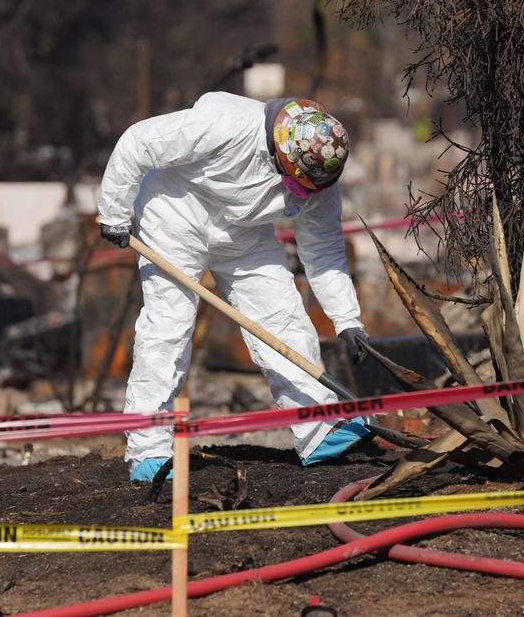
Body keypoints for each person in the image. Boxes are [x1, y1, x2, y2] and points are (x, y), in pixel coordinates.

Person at [98, 91, 372, 481]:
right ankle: (148, 449)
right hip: (175, 215)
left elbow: (323, 248)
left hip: (243, 233)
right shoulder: (224, 126)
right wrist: (112, 211)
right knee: (168, 327)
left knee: (284, 318)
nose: (304, 195)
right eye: (296, 186)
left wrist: (347, 318)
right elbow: (138, 142)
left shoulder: (321, 178)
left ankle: (318, 430)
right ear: (279, 151)